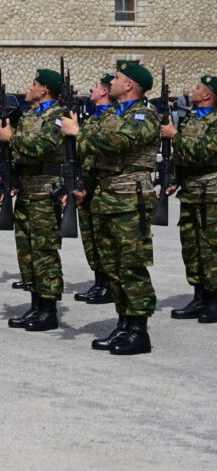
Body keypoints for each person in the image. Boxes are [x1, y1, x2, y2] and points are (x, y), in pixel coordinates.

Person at [62, 61, 159, 355]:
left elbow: (118, 142)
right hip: (105, 199)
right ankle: (124, 324)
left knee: (131, 266)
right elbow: (95, 158)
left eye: (116, 78)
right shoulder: (112, 115)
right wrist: (83, 188)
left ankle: (139, 331)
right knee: (113, 267)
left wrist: (79, 133)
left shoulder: (144, 115)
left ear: (129, 84)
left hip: (130, 201)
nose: (111, 82)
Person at [0, 68, 67, 332]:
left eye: (34, 83)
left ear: (45, 90)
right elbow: (20, 153)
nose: (31, 86)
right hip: (27, 192)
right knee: (26, 252)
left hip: (45, 193)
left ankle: (48, 309)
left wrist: (11, 138)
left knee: (44, 252)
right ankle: (36, 304)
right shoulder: (30, 115)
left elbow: (42, 147)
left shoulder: (57, 117)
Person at [163, 74, 217, 322]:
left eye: (198, 88)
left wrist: (175, 136)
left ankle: (214, 301)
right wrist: (174, 178)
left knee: (211, 249)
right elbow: (182, 156)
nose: (192, 90)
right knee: (192, 248)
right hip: (191, 192)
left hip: (211, 193)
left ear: (207, 95)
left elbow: (203, 152)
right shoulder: (193, 118)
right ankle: (199, 296)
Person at [75, 74, 119, 304]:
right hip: (89, 183)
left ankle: (109, 284)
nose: (91, 89)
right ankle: (99, 281)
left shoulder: (114, 117)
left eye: (95, 86)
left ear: (104, 91)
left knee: (104, 239)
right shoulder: (92, 119)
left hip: (106, 185)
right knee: (91, 237)